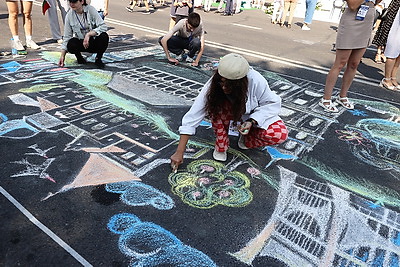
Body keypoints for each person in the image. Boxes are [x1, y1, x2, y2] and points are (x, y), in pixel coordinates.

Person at [170, 53, 288, 170]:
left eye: (230, 84)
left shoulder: (256, 80)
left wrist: (252, 121)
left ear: (242, 81)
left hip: (247, 116)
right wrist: (179, 152)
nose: (224, 87)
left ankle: (247, 139)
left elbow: (272, 103)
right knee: (214, 108)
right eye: (221, 82)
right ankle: (221, 145)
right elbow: (194, 115)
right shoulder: (213, 84)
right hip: (225, 115)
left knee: (279, 134)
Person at [320, 0, 378, 112]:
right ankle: (326, 98)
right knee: (340, 63)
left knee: (354, 64)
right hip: (352, 19)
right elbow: (353, 5)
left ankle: (342, 96)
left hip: (368, 17)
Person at [58, 0, 109, 68]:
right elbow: (67, 37)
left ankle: (98, 59)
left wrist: (89, 34)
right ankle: (79, 57)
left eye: (74, 2)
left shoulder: (90, 10)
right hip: (81, 42)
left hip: (93, 41)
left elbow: (103, 26)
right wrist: (62, 56)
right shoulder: (69, 15)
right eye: (70, 2)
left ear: (82, 1)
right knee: (71, 43)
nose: (72, 4)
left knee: (104, 36)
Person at [380, 5, 400, 90]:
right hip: (396, 22)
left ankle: (393, 77)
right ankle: (386, 78)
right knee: (392, 51)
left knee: (399, 55)